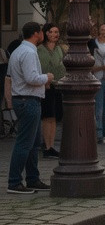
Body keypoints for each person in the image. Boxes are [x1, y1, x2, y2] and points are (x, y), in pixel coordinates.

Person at [7, 22, 51, 194]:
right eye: (41, 32)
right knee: (25, 143)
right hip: (28, 100)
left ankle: (32, 178)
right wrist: (46, 77)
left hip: (24, 99)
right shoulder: (29, 52)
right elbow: (31, 78)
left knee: (33, 143)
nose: (43, 35)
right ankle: (14, 181)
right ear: (36, 33)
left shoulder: (19, 50)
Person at [37, 23, 64, 157]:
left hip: (57, 85)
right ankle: (46, 146)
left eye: (56, 32)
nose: (54, 34)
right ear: (46, 33)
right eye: (52, 32)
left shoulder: (59, 49)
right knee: (47, 116)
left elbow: (61, 67)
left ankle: (51, 145)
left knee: (54, 117)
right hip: (45, 86)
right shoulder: (39, 50)